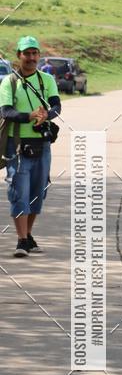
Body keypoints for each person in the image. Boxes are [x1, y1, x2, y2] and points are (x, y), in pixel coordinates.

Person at [0, 36, 61, 257]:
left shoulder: (47, 80)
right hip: (16, 145)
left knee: (38, 192)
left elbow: (56, 106)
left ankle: (28, 235)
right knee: (19, 192)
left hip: (42, 144)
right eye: (27, 53)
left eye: (35, 53)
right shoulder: (9, 82)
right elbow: (6, 111)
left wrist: (47, 115)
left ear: (39, 55)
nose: (31, 57)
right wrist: (30, 116)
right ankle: (22, 240)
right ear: (19, 55)